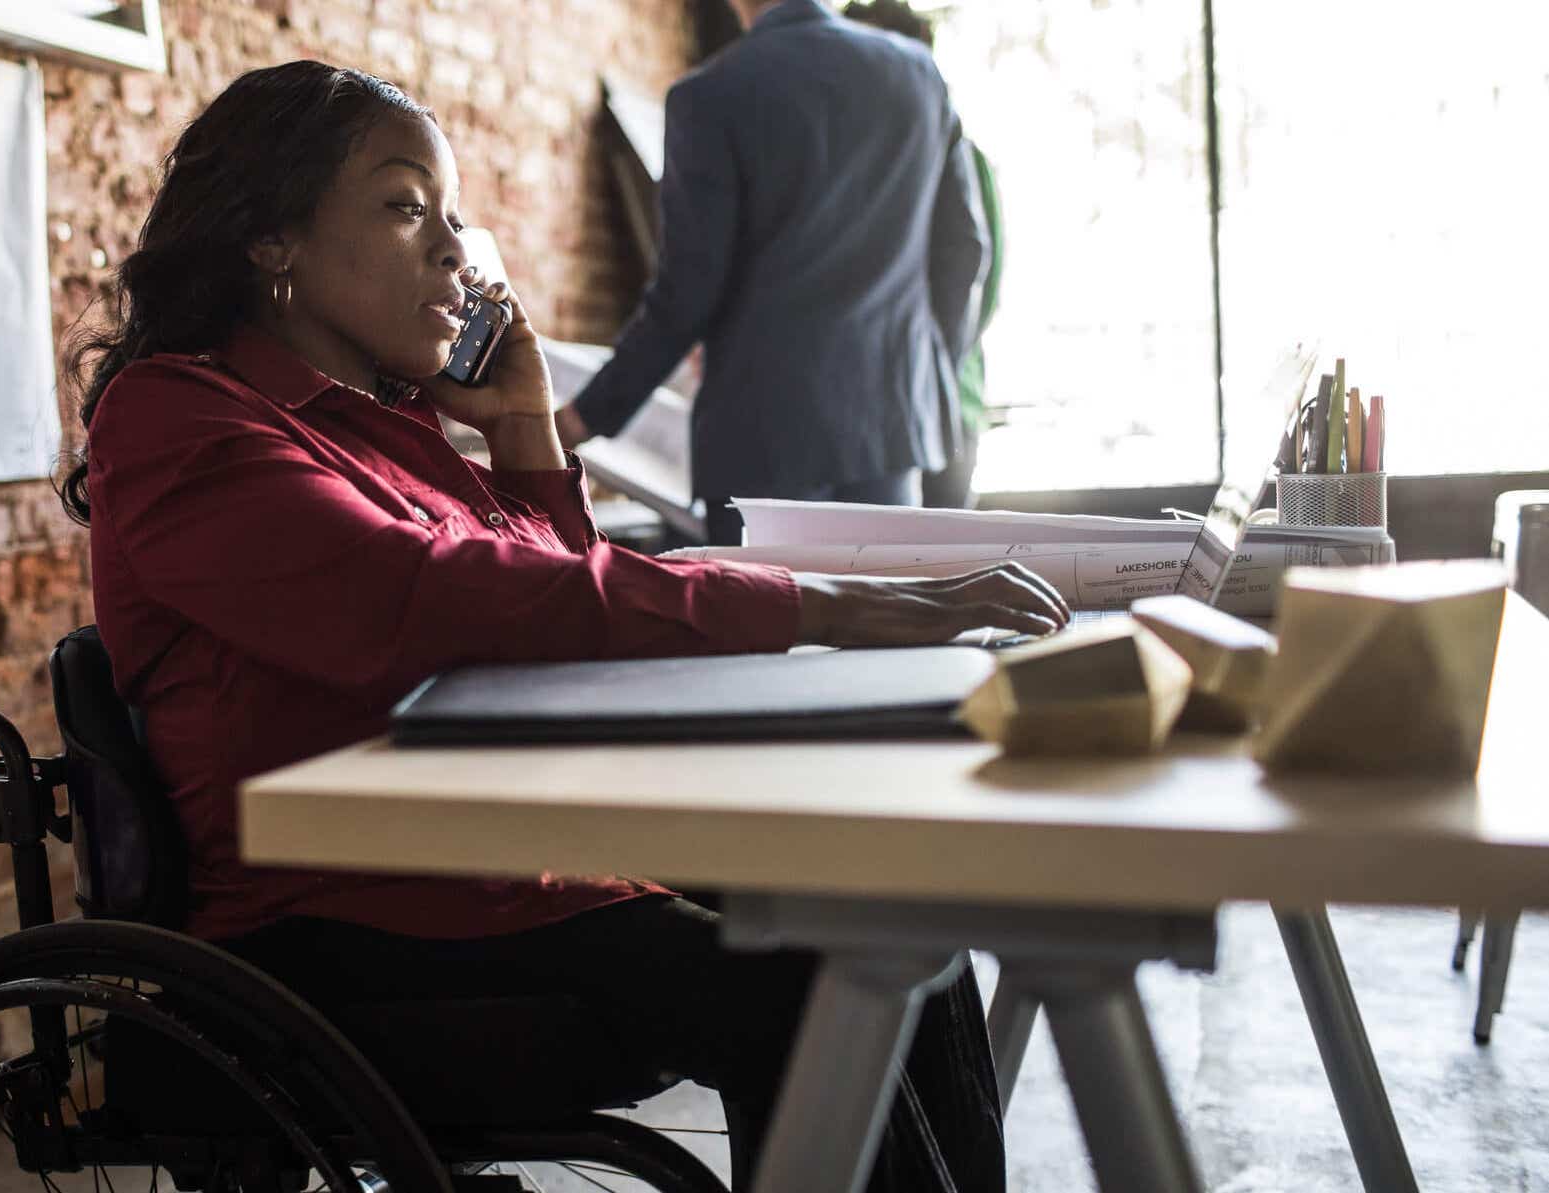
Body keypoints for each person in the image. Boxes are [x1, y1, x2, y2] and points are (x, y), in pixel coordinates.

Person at [60, 60, 1067, 1190]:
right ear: (271, 241)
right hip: (330, 926)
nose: (454, 247)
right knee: (827, 974)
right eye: (404, 208)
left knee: (894, 911)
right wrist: (846, 603)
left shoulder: (390, 425)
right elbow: (454, 599)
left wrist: (526, 429)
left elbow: (542, 591)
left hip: (498, 862)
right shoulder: (175, 418)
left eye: (452, 213)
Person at [554, 0, 990, 544]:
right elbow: (966, 250)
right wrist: (919, 372)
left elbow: (687, 292)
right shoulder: (917, 75)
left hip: (761, 441)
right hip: (892, 429)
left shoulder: (708, 96)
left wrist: (582, 417)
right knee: (889, 621)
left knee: (764, 624)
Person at [843, 0, 1005, 510]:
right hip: (884, 409)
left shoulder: (955, 150)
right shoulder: (861, 158)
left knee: (939, 573)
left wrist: (931, 365)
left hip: (944, 400)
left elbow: (983, 268)